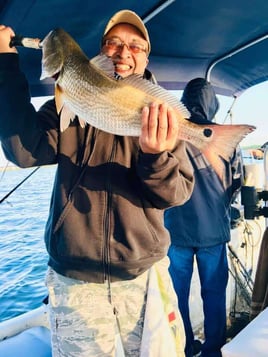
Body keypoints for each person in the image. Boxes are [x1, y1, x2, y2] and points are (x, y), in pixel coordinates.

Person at [0, 10, 194, 357]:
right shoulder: (66, 101)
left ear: (146, 57)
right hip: (75, 282)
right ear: (100, 52)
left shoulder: (159, 113)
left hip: (144, 275)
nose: (124, 52)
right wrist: (5, 65)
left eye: (136, 45)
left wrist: (155, 156)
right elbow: (24, 151)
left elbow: (176, 194)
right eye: (113, 43)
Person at [164, 78, 244, 357]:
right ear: (212, 103)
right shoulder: (226, 137)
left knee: (177, 297)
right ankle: (214, 349)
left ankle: (185, 348)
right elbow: (237, 182)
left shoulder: (171, 132)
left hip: (175, 231)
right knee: (214, 294)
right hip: (214, 232)